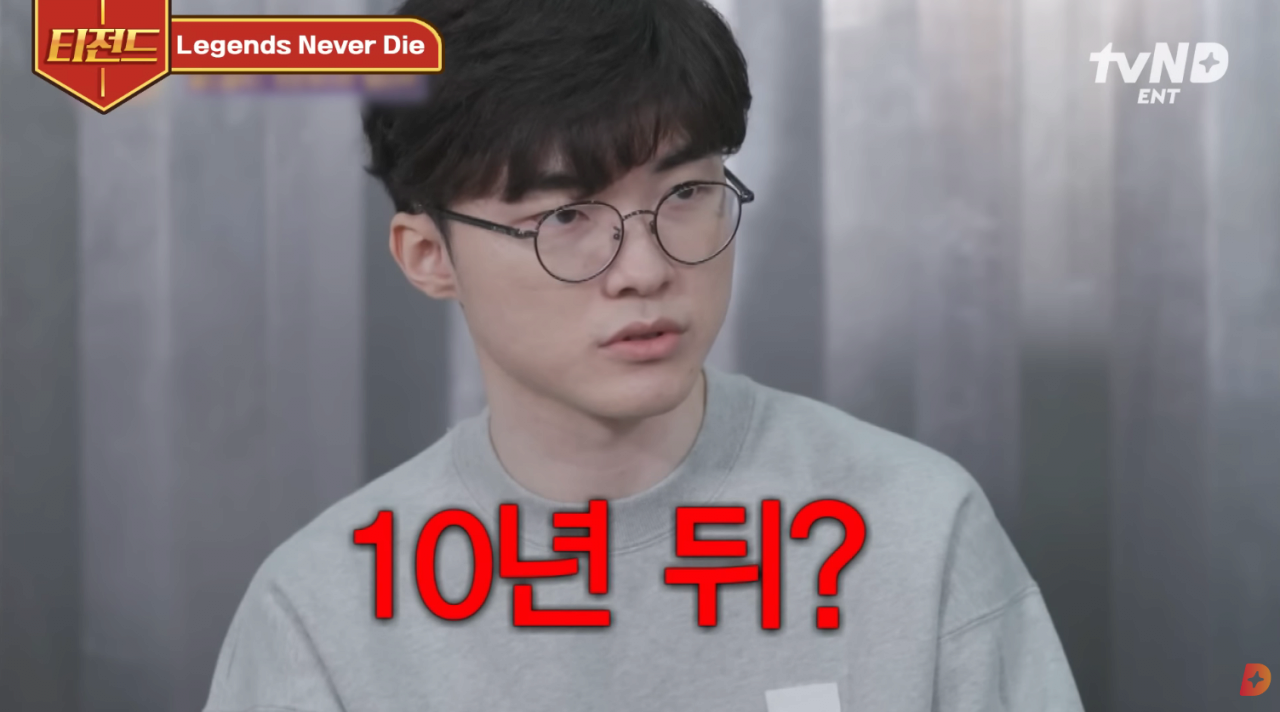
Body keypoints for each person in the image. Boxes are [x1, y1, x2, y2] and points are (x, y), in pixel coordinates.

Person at [203, 0, 1085, 710]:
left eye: (688, 192)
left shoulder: (915, 531)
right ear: (429, 256)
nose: (645, 269)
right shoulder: (324, 611)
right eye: (565, 216)